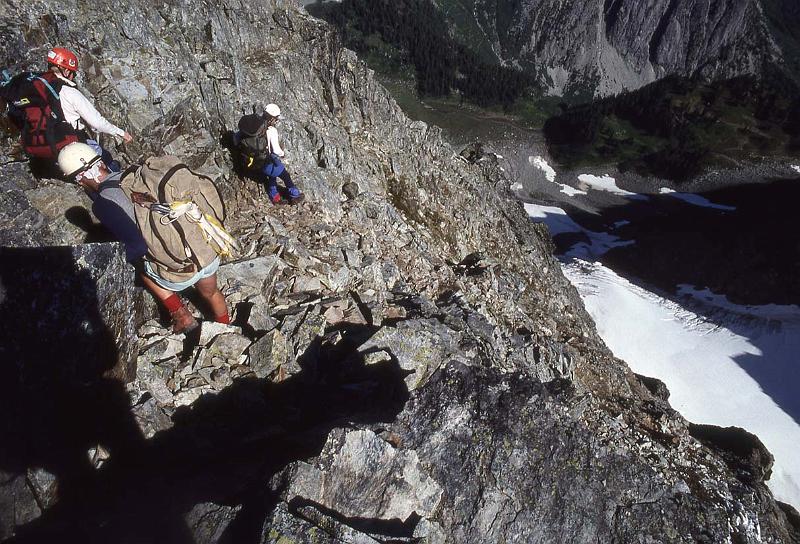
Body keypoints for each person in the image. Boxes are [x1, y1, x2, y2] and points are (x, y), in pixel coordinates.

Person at [56, 143, 223, 334]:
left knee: (140, 266)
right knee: (211, 292)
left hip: (179, 269)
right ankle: (226, 330)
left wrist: (113, 259)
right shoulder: (134, 175)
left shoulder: (102, 204)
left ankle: (182, 316)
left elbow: (138, 247)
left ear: (80, 178)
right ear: (100, 161)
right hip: (204, 250)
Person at [46, 47, 133, 169]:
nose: (73, 76)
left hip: (48, 147)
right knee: (109, 161)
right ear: (65, 71)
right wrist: (121, 133)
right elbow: (97, 122)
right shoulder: (68, 91)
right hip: (72, 144)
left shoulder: (40, 89)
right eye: (73, 73)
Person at [236, 103, 303, 204]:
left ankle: (275, 198)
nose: (276, 121)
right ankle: (295, 195)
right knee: (285, 176)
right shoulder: (271, 130)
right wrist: (282, 154)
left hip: (256, 161)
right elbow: (276, 150)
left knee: (272, 176)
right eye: (276, 118)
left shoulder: (253, 127)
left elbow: (236, 138)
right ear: (272, 118)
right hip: (268, 161)